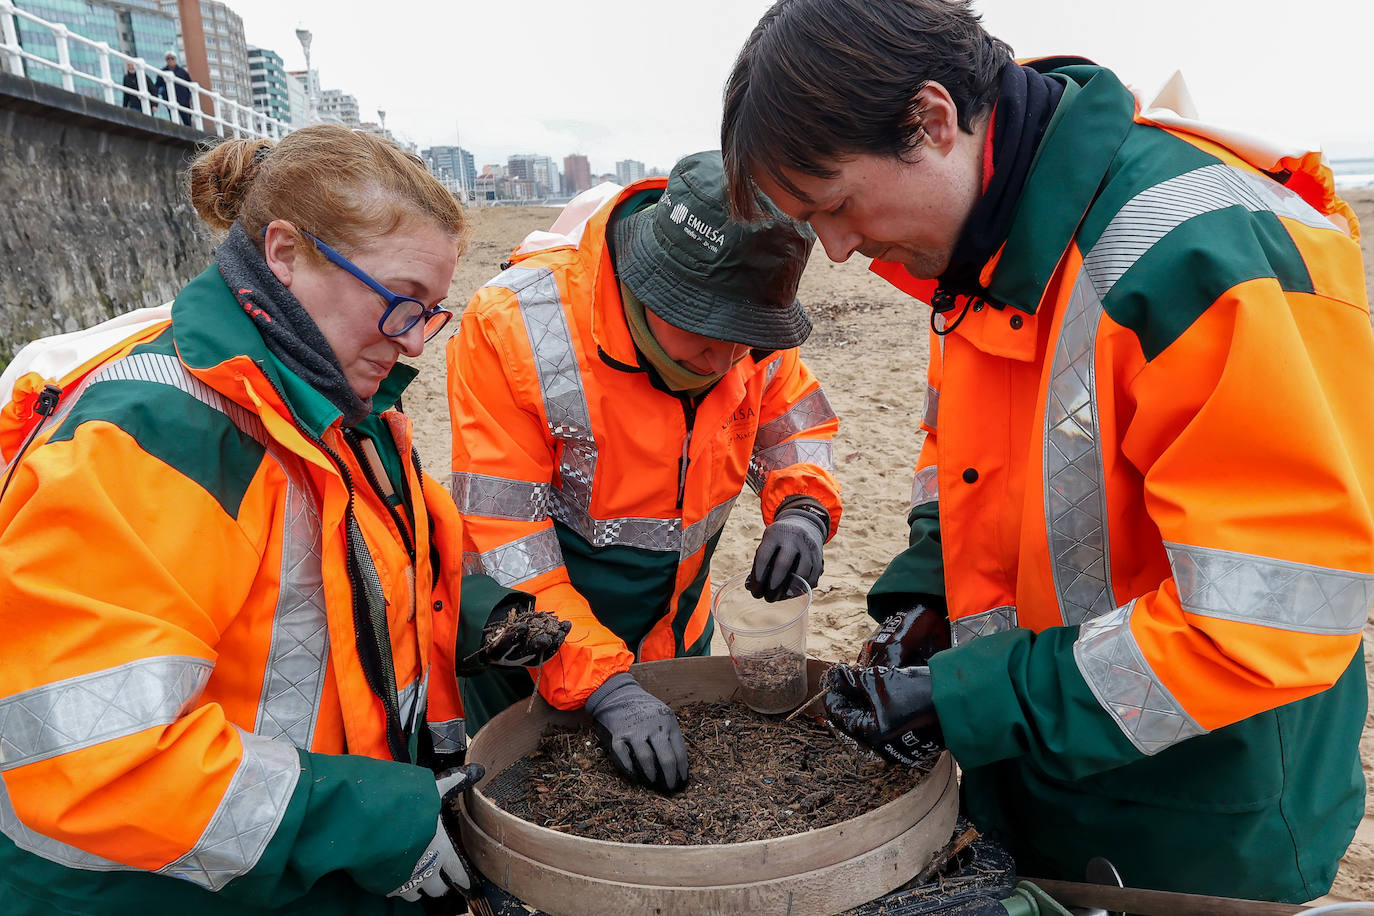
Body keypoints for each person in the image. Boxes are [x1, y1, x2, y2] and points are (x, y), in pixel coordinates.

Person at [720, 0, 1374, 904]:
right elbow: (961, 462)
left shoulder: (1201, 256)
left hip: (1199, 805)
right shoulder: (980, 253)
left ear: (933, 120)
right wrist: (926, 602)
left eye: (835, 204)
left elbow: (1260, 622)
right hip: (1031, 766)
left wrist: (972, 701)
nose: (836, 248)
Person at [0, 123, 568, 915]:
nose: (412, 346)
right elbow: (102, 755)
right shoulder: (153, 441)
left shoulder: (338, 400)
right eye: (403, 303)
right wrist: (376, 824)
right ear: (285, 254)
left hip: (297, 872)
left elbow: (394, 566)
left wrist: (494, 623)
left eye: (431, 315)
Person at [446, 150, 842, 792]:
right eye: (707, 333)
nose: (727, 359)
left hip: (675, 627)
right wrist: (602, 683)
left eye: (749, 338)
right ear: (647, 282)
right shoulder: (514, 326)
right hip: (537, 647)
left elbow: (796, 423)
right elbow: (502, 541)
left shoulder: (751, 332)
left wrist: (802, 509)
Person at [158, 50, 193, 125]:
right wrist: (162, 92)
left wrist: (190, 96)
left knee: (187, 120)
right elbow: (158, 85)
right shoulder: (162, 72)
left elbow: (190, 84)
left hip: (183, 100)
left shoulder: (183, 72)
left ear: (175, 59)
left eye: (172, 58)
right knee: (174, 119)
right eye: (168, 59)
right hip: (170, 99)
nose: (170, 60)